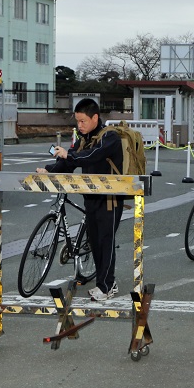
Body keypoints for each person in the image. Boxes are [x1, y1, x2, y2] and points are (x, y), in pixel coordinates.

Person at [37, 98, 124, 301]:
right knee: (95, 241)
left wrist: (70, 156)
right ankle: (103, 282)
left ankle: (108, 285)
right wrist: (49, 170)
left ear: (95, 117)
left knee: (105, 241)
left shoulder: (109, 137)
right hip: (91, 197)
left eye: (83, 121)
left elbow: (91, 156)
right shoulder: (84, 138)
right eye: (77, 121)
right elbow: (72, 159)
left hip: (110, 198)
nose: (80, 125)